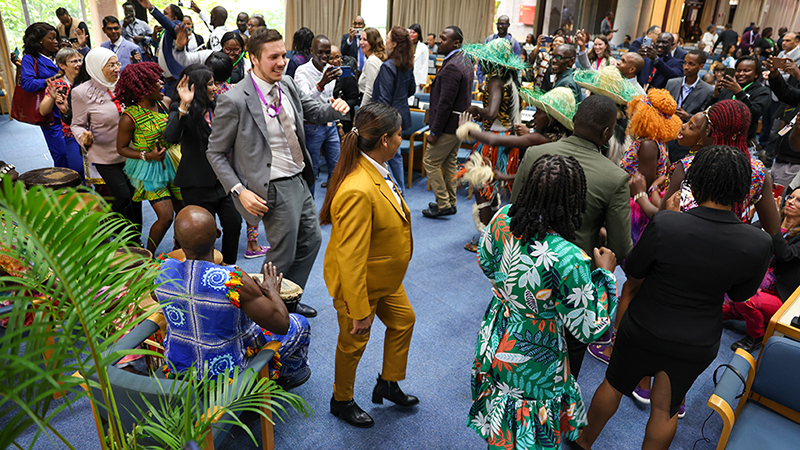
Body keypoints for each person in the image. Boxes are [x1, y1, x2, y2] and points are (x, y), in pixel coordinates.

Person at [573, 145, 773, 450]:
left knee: (613, 385)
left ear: (697, 180)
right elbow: (740, 294)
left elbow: (635, 268)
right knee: (665, 409)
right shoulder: (758, 242)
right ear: (741, 188)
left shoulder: (668, 222)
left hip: (644, 325)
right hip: (698, 340)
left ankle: (583, 443)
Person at [469, 153, 618, 449]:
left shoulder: (503, 218)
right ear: (573, 200)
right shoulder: (569, 258)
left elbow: (485, 261)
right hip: (537, 350)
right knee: (530, 425)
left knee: (502, 411)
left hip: (498, 329)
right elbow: (590, 328)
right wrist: (606, 276)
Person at [205, 28, 350, 319]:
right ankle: (264, 311)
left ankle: (289, 298)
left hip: (299, 177)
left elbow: (313, 111)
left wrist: (336, 109)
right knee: (282, 252)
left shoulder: (287, 85)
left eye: (283, 55)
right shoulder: (234, 99)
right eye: (273, 57)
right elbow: (215, 153)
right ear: (254, 59)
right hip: (271, 185)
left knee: (311, 241)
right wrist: (239, 190)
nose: (282, 62)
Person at [512, 95, 632, 377]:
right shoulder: (615, 177)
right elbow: (619, 247)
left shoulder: (535, 154)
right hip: (572, 279)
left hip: (524, 268)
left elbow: (514, 211)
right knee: (564, 358)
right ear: (607, 134)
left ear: (574, 120)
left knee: (519, 335)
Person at [321, 103, 418, 429]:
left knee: (404, 320)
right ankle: (341, 399)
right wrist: (360, 308)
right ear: (386, 140)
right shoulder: (358, 189)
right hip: (359, 283)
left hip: (384, 277)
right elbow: (350, 256)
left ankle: (388, 382)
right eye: (399, 134)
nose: (402, 138)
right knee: (352, 343)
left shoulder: (376, 166)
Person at [156, 206, 311, 387]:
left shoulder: (161, 271)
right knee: (299, 323)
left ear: (176, 241)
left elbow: (157, 295)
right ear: (217, 233)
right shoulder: (233, 281)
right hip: (227, 377)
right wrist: (273, 293)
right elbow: (282, 325)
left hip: (181, 369)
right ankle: (283, 376)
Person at [660, 100, 781, 237]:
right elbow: (773, 229)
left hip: (689, 244)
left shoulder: (688, 167)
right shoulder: (758, 171)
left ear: (708, 131)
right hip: (735, 248)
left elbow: (661, 219)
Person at [164, 65, 240, 265]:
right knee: (202, 232)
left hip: (223, 181)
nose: (215, 88)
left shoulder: (219, 106)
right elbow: (170, 137)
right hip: (196, 183)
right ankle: (203, 272)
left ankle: (229, 268)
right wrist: (184, 105)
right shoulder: (180, 108)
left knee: (234, 223)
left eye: (214, 82)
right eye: (209, 84)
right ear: (196, 87)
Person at [461, 38, 528, 251]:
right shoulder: (511, 79)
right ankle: (498, 236)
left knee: (483, 186)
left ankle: (486, 241)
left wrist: (475, 110)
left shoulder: (495, 81)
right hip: (509, 139)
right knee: (501, 189)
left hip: (495, 142)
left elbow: (491, 113)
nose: (482, 62)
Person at [115, 61, 183, 254]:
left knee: (183, 209)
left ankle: (180, 246)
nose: (162, 83)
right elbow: (121, 148)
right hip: (151, 169)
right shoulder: (129, 117)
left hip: (174, 161)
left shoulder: (165, 103)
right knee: (166, 216)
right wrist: (147, 155)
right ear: (144, 88)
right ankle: (148, 256)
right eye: (156, 81)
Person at [71, 48, 140, 237]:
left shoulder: (124, 85)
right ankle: (105, 229)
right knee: (122, 196)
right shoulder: (81, 92)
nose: (117, 68)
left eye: (117, 63)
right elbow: (76, 125)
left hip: (131, 152)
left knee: (135, 198)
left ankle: (135, 238)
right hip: (104, 155)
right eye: (111, 65)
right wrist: (83, 135)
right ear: (96, 67)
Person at [724, 188, 800, 353]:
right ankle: (745, 314)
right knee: (718, 312)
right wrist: (751, 216)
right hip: (756, 285)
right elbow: (744, 238)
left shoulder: (789, 233)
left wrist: (772, 221)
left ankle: (756, 337)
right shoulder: (773, 223)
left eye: (798, 200)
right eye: (791, 197)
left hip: (778, 297)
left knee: (744, 298)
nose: (791, 201)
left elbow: (785, 255)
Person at [20, 22, 83, 176]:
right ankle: (64, 187)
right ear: (40, 40)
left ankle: (79, 183)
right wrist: (53, 79)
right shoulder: (30, 59)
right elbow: (27, 83)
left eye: (56, 38)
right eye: (51, 38)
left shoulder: (58, 55)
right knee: (61, 154)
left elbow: (75, 65)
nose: (56, 41)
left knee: (76, 152)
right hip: (51, 114)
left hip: (72, 111)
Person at [422, 26, 472, 218]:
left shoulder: (452, 65)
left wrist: (434, 132)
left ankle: (443, 203)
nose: (439, 41)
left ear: (455, 43)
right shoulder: (463, 59)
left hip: (448, 126)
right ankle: (450, 201)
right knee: (450, 163)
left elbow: (445, 104)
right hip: (458, 124)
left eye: (443, 38)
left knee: (430, 161)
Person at [294, 35, 344, 195]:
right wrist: (321, 84)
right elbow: (304, 102)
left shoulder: (330, 69)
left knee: (336, 168)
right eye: (320, 52)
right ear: (311, 51)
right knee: (311, 172)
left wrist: (338, 123)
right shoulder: (302, 71)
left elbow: (330, 101)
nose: (324, 56)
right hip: (312, 127)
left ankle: (333, 209)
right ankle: (308, 214)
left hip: (330, 126)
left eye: (327, 52)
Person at [372, 26, 416, 190]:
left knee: (388, 156)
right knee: (395, 156)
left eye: (388, 38)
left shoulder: (388, 66)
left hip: (388, 118)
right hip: (402, 115)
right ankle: (400, 191)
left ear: (395, 44)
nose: (386, 41)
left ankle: (397, 193)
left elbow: (383, 99)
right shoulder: (407, 64)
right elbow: (411, 89)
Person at [39, 48, 83, 182]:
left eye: (80, 60)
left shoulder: (88, 80)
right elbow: (43, 111)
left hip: (93, 130)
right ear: (62, 66)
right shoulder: (57, 84)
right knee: (77, 169)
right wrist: (52, 98)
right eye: (73, 61)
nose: (78, 64)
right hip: (70, 132)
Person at [708, 55, 771, 146]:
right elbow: (711, 112)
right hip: (719, 139)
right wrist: (715, 96)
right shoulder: (728, 87)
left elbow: (754, 113)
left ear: (756, 74)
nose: (741, 74)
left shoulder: (763, 91)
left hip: (743, 143)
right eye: (738, 71)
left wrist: (739, 93)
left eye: (747, 71)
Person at [665, 49, 714, 161]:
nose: (686, 67)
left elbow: (705, 118)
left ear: (701, 66)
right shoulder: (671, 83)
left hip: (687, 142)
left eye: (691, 64)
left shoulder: (708, 90)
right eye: (685, 63)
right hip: (667, 136)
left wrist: (688, 117)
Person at [135, 0, 185, 97]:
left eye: (165, 14)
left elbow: (171, 26)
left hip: (176, 79)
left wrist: (151, 8)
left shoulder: (178, 26)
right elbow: (159, 50)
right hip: (165, 80)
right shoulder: (164, 32)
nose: (162, 16)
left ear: (174, 18)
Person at [173, 27, 252, 85]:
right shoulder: (207, 56)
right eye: (227, 49)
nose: (231, 53)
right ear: (222, 46)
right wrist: (180, 47)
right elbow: (183, 60)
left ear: (242, 49)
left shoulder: (248, 66)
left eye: (236, 50)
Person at [766, 56, 800, 187]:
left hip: (796, 163)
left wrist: (799, 76)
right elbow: (787, 94)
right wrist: (775, 74)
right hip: (781, 158)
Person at [331, 46, 360, 134]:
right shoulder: (324, 77)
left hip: (345, 118)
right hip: (329, 118)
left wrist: (343, 105)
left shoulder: (348, 77)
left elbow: (354, 99)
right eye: (331, 58)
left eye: (337, 57)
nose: (335, 61)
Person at [357, 28, 387, 106]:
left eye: (365, 40)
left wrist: (361, 112)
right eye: (360, 39)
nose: (361, 42)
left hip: (370, 105)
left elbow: (369, 91)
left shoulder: (372, 61)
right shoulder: (377, 58)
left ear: (373, 42)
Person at [409, 24, 429, 93]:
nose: (411, 34)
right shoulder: (406, 45)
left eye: (414, 33)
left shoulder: (423, 47)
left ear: (418, 34)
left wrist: (423, 81)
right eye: (410, 32)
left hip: (418, 78)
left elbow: (425, 64)